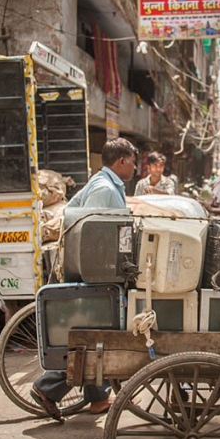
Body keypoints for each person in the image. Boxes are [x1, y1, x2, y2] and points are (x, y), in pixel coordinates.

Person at [31, 137, 138, 421]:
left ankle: (98, 397)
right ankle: (48, 387)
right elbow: (93, 232)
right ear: (122, 161)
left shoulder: (103, 182)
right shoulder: (104, 189)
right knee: (96, 332)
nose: (135, 166)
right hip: (95, 271)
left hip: (94, 268)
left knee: (96, 332)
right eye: (133, 161)